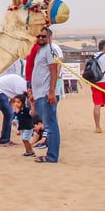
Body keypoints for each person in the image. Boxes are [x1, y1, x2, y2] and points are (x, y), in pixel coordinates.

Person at [29, 27, 62, 163]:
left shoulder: (49, 50)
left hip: (47, 94)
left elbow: (54, 72)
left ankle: (52, 156)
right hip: (40, 94)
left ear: (49, 37)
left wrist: (52, 92)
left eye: (43, 36)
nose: (41, 38)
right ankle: (50, 153)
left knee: (50, 125)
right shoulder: (39, 51)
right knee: (47, 125)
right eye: (39, 36)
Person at [0, 73, 28, 147]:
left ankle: (5, 139)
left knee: (9, 114)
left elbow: (12, 101)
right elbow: (19, 105)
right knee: (9, 115)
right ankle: (4, 141)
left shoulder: (21, 85)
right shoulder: (21, 88)